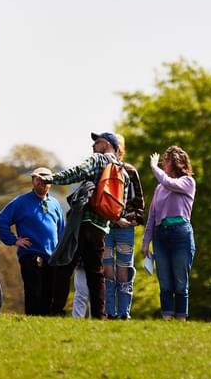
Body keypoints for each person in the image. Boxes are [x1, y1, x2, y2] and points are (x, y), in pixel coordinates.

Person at [43, 131, 128, 319]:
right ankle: (100, 315)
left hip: (82, 223)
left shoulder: (98, 159)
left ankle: (56, 311)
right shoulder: (123, 171)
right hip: (100, 228)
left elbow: (77, 172)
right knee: (96, 272)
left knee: (65, 266)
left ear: (106, 145)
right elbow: (121, 207)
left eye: (97, 142)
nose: (93, 146)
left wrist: (50, 179)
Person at [0, 167, 66, 315]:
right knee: (34, 291)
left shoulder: (55, 204)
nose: (43, 183)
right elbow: (1, 221)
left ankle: (45, 325)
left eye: (46, 180)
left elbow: (61, 230)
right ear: (33, 181)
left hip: (52, 257)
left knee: (48, 293)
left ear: (51, 183)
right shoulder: (21, 202)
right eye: (39, 179)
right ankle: (32, 320)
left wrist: (61, 252)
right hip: (30, 254)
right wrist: (14, 240)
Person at [140, 145, 196, 320]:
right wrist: (145, 241)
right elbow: (152, 216)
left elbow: (168, 182)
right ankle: (167, 319)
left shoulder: (187, 182)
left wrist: (154, 167)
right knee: (164, 283)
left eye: (166, 160)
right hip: (160, 235)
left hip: (181, 234)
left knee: (180, 282)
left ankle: (181, 319)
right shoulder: (159, 188)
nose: (163, 163)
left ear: (176, 162)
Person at [103, 133, 145, 319]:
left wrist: (131, 219)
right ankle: (110, 313)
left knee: (124, 270)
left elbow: (139, 203)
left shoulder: (130, 171)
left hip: (125, 229)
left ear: (120, 149)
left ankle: (124, 314)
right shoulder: (101, 170)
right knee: (107, 270)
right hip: (105, 228)